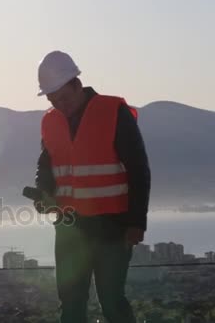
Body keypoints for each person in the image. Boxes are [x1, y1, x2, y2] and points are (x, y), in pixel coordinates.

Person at [34, 51, 151, 323]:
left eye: (63, 97)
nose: (59, 105)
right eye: (53, 100)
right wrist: (43, 192)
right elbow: (46, 165)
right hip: (69, 228)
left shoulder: (113, 112)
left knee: (112, 302)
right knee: (71, 305)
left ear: (77, 83)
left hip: (112, 227)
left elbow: (138, 169)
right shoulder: (50, 121)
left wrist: (136, 222)